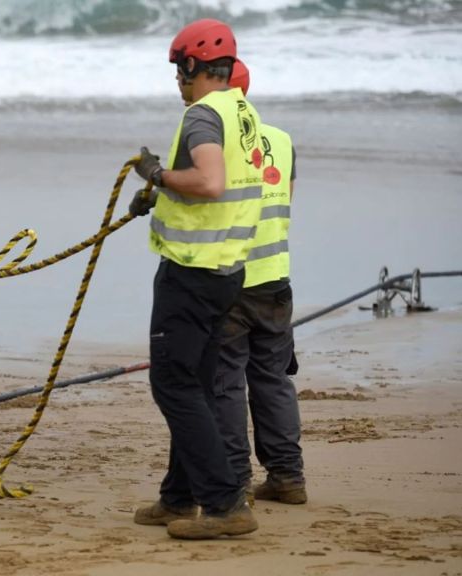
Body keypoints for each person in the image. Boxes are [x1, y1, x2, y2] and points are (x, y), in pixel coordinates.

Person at [128, 19, 263, 539]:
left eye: (177, 70)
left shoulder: (203, 116)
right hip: (227, 269)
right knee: (197, 384)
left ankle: (225, 506)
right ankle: (179, 498)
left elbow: (210, 180)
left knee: (174, 385)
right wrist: (162, 192)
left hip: (193, 272)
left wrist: (158, 176)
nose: (176, 82)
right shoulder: (241, 110)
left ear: (192, 66)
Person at [214, 60, 307, 504]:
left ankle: (235, 482)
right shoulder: (284, 141)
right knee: (272, 380)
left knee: (226, 383)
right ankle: (287, 478)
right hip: (275, 280)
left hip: (230, 281)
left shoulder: (213, 144)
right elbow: (285, 199)